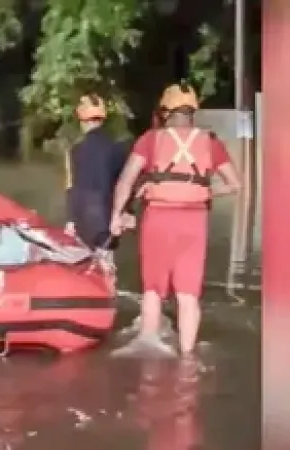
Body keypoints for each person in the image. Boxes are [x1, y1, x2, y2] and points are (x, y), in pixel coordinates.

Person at [109, 83, 242, 357]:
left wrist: (116, 215)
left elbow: (125, 181)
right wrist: (204, 191)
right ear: (194, 111)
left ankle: (148, 346)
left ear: (165, 111)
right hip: (194, 222)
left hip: (158, 218)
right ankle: (187, 356)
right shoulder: (211, 142)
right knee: (188, 295)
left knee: (153, 290)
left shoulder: (150, 139)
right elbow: (235, 185)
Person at [64, 94, 129, 255]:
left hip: (82, 223)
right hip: (107, 223)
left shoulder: (75, 150)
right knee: (105, 271)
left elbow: (71, 188)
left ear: (81, 119)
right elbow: (123, 185)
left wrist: (70, 220)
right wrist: (124, 214)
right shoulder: (117, 148)